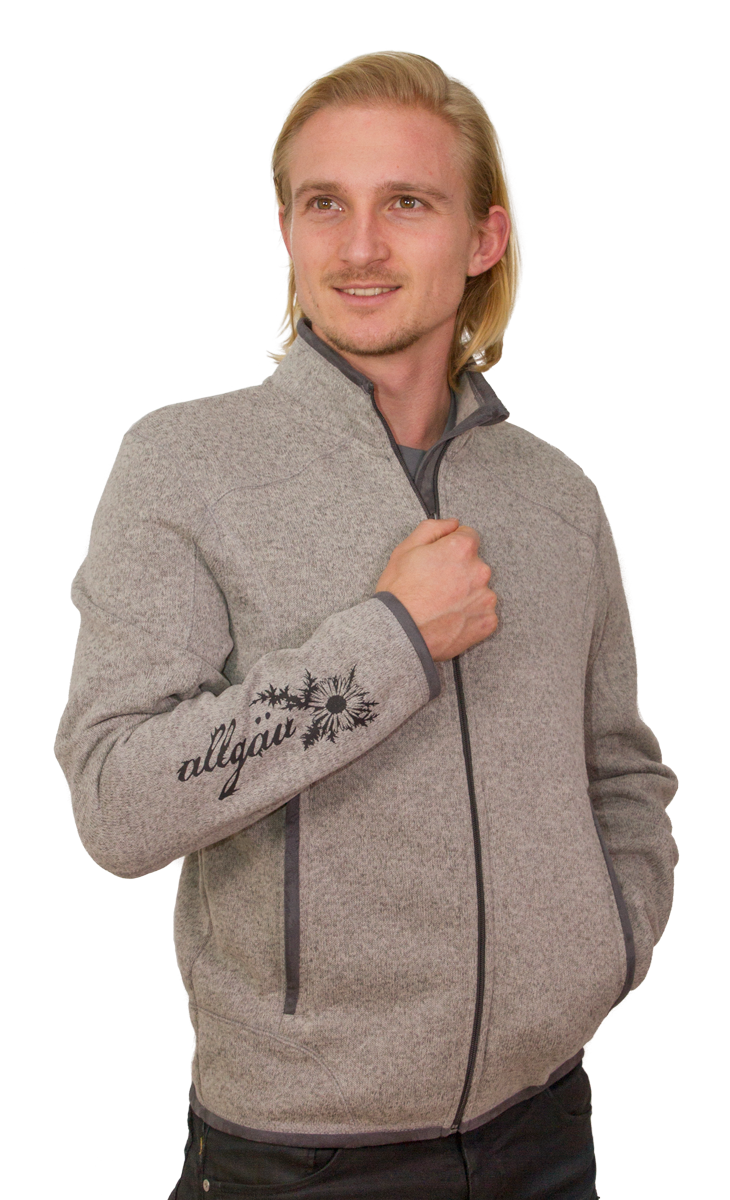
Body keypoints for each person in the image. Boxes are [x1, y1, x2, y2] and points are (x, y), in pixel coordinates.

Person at [55, 51, 678, 1200]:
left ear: (483, 238)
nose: (358, 248)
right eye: (323, 204)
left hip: (545, 1130)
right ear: (286, 230)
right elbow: (116, 799)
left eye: (406, 203)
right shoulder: (188, 464)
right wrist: (389, 641)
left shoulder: (558, 500)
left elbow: (618, 768)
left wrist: (606, 943)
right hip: (300, 1154)